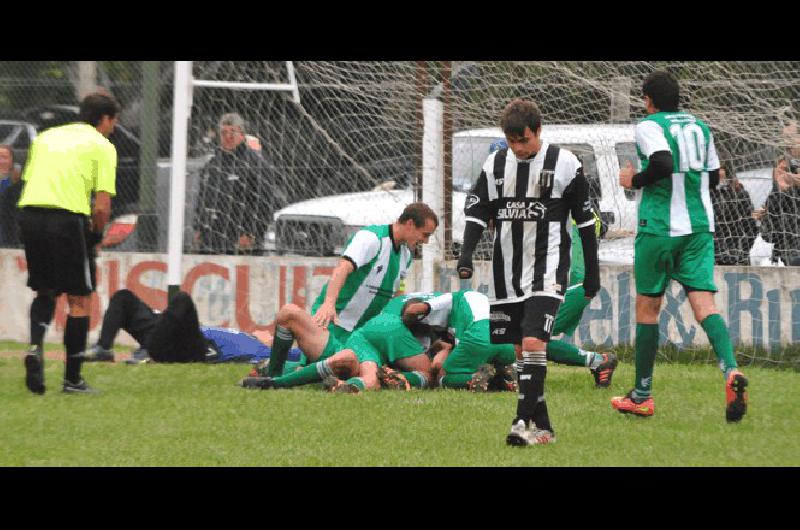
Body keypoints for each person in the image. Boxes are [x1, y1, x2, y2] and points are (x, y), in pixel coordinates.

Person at [456, 98, 600, 446]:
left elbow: (586, 221)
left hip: (548, 269)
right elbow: (477, 210)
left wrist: (592, 273)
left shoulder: (566, 164)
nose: (518, 148)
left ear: (538, 130)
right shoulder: (496, 164)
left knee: (535, 342)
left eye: (524, 140)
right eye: (511, 141)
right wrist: (466, 254)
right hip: (506, 272)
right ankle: (545, 428)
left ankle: (520, 421)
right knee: (521, 352)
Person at [614, 70, 748, 423]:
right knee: (705, 306)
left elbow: (661, 163)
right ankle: (730, 371)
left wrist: (635, 180)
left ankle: (642, 395)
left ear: (648, 100)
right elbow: (716, 175)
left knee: (648, 309)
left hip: (659, 228)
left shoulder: (649, 125)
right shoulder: (701, 127)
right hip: (700, 228)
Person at [240, 202, 438, 389]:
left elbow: (397, 291)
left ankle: (283, 369)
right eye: (425, 234)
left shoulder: (406, 255)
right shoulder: (371, 239)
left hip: (362, 339)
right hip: (333, 329)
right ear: (410, 224)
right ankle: (274, 374)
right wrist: (328, 304)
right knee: (289, 313)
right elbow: (343, 267)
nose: (425, 241)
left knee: (363, 368)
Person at [17, 92, 120, 394]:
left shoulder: (46, 137)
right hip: (65, 218)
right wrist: (95, 236)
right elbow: (101, 207)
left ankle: (35, 347)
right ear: (105, 119)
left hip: (30, 214)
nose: (113, 128)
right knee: (79, 299)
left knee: (45, 289)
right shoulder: (102, 145)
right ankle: (72, 379)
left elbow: (29, 180)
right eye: (113, 122)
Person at [80, 289, 303, 364]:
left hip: (192, 346)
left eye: (274, 336)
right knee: (124, 297)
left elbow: (308, 356)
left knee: (182, 299)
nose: (268, 332)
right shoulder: (245, 335)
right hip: (168, 331)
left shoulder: (264, 352)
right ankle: (104, 348)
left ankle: (149, 353)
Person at [192, 112, 278, 255]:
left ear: (242, 134)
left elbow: (265, 203)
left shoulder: (255, 163)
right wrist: (199, 228)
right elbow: (202, 199)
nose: (228, 137)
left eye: (233, 132)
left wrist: (251, 234)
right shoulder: (212, 164)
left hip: (240, 240)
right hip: (212, 239)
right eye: (224, 132)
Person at [710, 162, 758, 265]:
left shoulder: (740, 193)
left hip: (734, 247)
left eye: (721, 169)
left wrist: (743, 252)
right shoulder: (707, 194)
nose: (718, 172)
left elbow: (750, 225)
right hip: (711, 247)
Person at [758, 156, 800, 266]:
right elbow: (768, 233)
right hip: (782, 242)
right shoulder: (773, 191)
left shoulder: (794, 192)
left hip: (792, 241)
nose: (781, 173)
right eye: (778, 169)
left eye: (785, 170)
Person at [0, 145, 22, 247]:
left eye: (4, 157)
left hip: (10, 234)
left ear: (12, 160)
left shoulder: (17, 182)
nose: (1, 161)